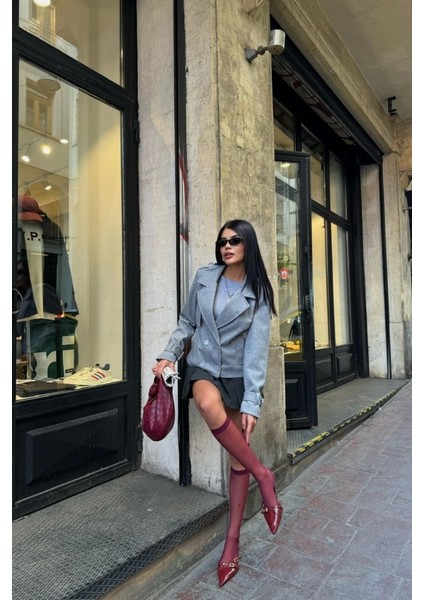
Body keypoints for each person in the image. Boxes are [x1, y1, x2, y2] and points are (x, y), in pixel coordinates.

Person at [152, 219, 283, 587]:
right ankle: (265, 476)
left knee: (237, 460)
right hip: (204, 367)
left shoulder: (258, 293)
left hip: (237, 376)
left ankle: (232, 543)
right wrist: (168, 355)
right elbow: (187, 322)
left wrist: (252, 402)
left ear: (248, 245)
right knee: (207, 403)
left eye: (235, 240)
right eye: (223, 241)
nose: (227, 246)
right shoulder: (206, 276)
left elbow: (256, 353)